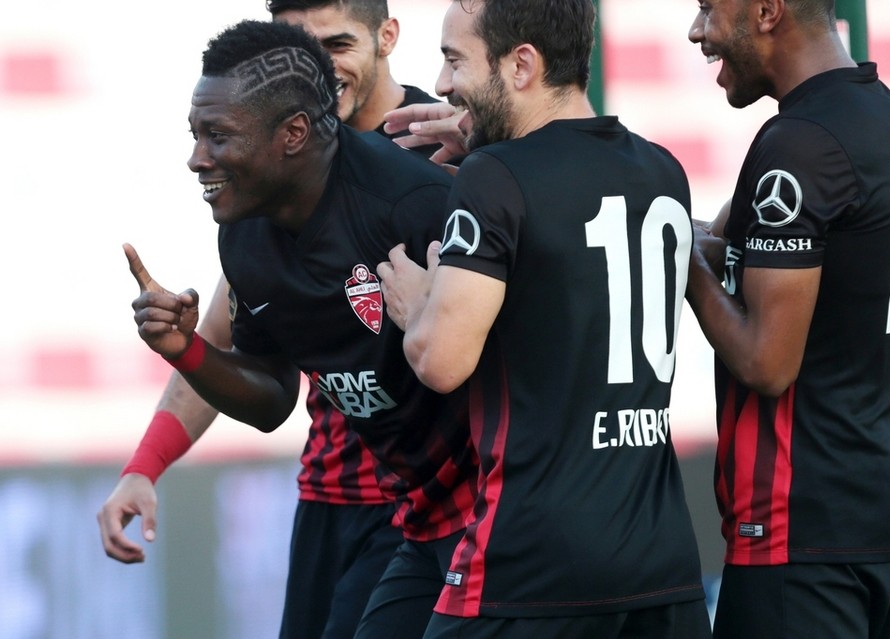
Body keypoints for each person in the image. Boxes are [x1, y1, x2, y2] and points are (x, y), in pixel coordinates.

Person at [113, 17, 476, 639]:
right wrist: (186, 352)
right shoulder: (246, 231)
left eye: (217, 136)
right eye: (196, 134)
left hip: (487, 511)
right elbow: (273, 397)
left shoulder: (431, 183)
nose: (197, 159)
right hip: (380, 504)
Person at [376, 1, 712, 637]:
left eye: (455, 60)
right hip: (661, 565)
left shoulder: (495, 177)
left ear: (522, 63)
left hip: (530, 567)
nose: (444, 86)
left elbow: (441, 361)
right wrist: (486, 139)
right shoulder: (662, 171)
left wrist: (417, 305)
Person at [684, 1, 890, 637]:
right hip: (874, 513)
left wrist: (681, 271)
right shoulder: (885, 115)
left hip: (798, 531)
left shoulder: (799, 144)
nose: (697, 30)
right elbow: (720, 241)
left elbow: (767, 362)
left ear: (767, 11)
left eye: (708, 7)